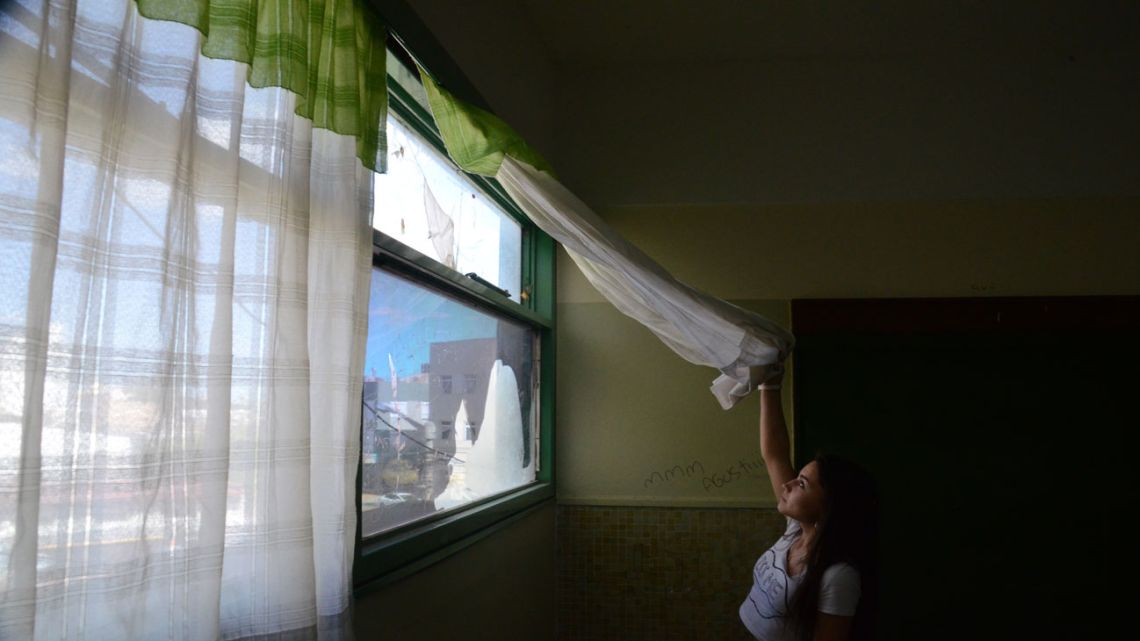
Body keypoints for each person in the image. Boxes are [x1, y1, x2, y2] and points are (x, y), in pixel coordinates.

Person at [739, 363, 878, 641]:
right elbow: (775, 454)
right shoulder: (795, 531)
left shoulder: (838, 577)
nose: (787, 485)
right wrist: (770, 384)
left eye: (801, 483)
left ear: (829, 504)